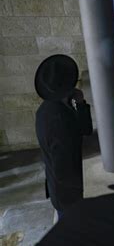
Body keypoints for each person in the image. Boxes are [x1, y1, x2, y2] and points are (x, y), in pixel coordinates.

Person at [34, 54, 93, 218]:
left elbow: (85, 130)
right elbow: (63, 172)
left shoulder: (50, 108)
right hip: (69, 198)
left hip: (63, 193)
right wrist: (89, 190)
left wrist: (81, 104)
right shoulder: (58, 119)